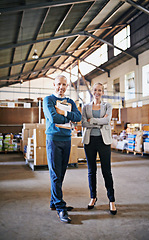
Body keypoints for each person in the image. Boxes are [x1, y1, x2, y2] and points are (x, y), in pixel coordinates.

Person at [43, 75, 81, 223]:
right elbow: (53, 118)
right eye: (59, 84)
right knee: (55, 174)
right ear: (54, 84)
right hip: (53, 140)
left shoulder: (70, 102)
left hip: (66, 140)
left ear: (67, 86)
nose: (61, 87)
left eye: (64, 84)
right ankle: (60, 207)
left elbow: (77, 117)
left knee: (61, 173)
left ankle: (54, 202)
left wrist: (64, 113)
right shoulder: (48, 100)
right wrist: (69, 118)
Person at [82, 82, 117, 215]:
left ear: (102, 92)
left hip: (104, 141)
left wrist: (93, 121)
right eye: (95, 90)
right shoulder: (85, 107)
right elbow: (84, 122)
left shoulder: (107, 105)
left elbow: (107, 121)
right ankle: (93, 197)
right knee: (91, 171)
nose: (97, 92)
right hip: (89, 141)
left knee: (106, 171)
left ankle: (112, 200)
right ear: (92, 91)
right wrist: (99, 121)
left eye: (100, 90)